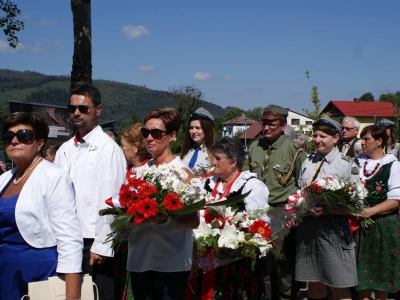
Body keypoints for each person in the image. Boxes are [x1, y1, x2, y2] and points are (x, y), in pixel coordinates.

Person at [54, 82, 126, 300]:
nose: (76, 113)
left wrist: (103, 245)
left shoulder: (108, 149)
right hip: (65, 238)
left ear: (98, 110)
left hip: (92, 241)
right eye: (72, 108)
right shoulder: (65, 148)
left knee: (96, 294)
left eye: (83, 108)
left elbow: (112, 200)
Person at [0, 112, 83, 299]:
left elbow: (69, 237)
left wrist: (72, 294)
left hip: (39, 274)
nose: (14, 141)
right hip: (6, 274)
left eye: (24, 136)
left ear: (40, 143)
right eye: (8, 136)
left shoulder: (54, 178)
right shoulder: (3, 180)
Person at [127, 108, 200, 300]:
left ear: (172, 136)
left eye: (156, 133)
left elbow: (194, 220)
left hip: (170, 262)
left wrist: (164, 218)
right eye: (146, 133)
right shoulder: (138, 172)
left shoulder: (182, 173)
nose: (149, 138)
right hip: (139, 259)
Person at [287, 115, 359, 300]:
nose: (317, 140)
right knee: (314, 282)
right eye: (315, 135)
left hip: (333, 233)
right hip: (308, 232)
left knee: (338, 286)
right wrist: (295, 212)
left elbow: (355, 205)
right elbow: (300, 193)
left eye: (323, 136)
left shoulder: (346, 165)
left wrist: (327, 210)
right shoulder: (308, 161)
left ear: (335, 138)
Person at [198, 136, 270, 299]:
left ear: (233, 162)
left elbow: (258, 223)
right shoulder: (208, 183)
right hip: (208, 259)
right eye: (213, 158)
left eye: (218, 159)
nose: (213, 163)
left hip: (237, 261)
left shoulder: (251, 186)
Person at [248, 104, 306, 300]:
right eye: (264, 123)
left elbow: (303, 185)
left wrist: (296, 214)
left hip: (282, 214)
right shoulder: (255, 147)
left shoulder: (294, 150)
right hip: (257, 214)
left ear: (283, 125)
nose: (266, 128)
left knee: (283, 268)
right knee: (262, 265)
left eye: (271, 124)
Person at [353, 125, 400, 299]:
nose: (362, 143)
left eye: (367, 139)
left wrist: (370, 211)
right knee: (360, 274)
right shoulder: (355, 162)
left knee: (382, 272)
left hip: (383, 225)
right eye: (362, 139)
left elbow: (396, 200)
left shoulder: (393, 166)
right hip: (357, 226)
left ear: (379, 141)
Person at [116, 123, 151, 300]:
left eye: (123, 145)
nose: (121, 149)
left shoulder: (150, 171)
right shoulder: (124, 170)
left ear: (135, 147)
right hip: (124, 242)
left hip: (144, 242)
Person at [181, 107, 216, 175]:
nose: (193, 131)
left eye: (198, 128)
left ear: (207, 129)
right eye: (191, 128)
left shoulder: (214, 154)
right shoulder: (186, 152)